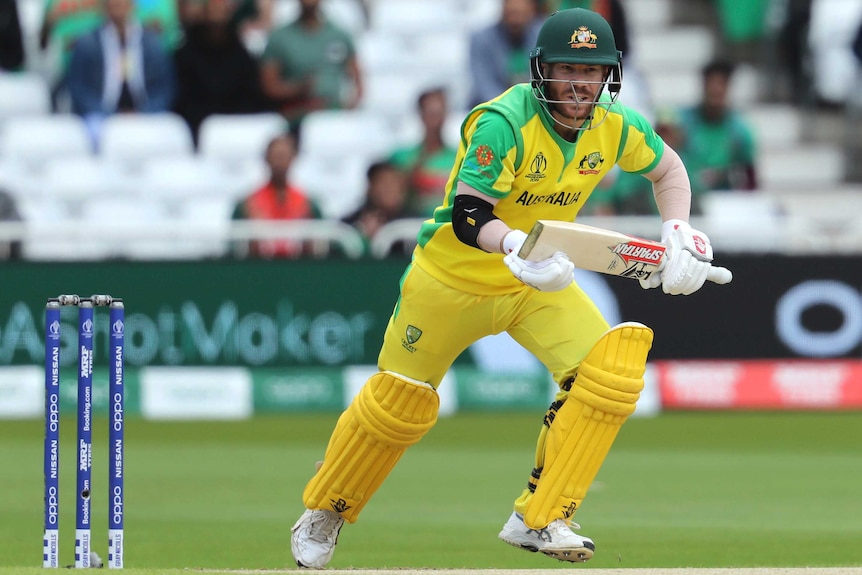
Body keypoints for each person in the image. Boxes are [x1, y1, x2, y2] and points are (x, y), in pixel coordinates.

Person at [290, 7, 731, 569]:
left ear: (610, 76)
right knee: (397, 405)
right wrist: (513, 247)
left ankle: (541, 517)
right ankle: (327, 508)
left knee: (610, 372)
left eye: (592, 71)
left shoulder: (616, 123)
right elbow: (468, 215)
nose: (580, 83)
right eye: (568, 68)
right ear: (541, 70)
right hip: (450, 280)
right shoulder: (504, 121)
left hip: (533, 283)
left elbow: (668, 172)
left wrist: (677, 230)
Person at [66, 0, 176, 148]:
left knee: (171, 132)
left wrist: (144, 113)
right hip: (101, 115)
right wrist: (110, 115)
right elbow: (79, 88)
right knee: (92, 131)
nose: (118, 5)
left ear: (132, 5)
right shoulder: (87, 43)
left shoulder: (151, 42)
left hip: (146, 113)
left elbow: (164, 87)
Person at [258, 0, 363, 137]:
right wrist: (298, 89)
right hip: (296, 116)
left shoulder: (340, 35)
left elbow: (358, 79)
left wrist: (348, 108)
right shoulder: (279, 38)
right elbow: (269, 86)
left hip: (334, 113)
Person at [172, 0, 266, 145]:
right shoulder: (185, 55)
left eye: (221, 17)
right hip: (197, 127)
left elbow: (251, 94)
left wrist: (230, 118)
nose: (216, 24)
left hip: (236, 124)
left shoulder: (241, 55)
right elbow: (182, 96)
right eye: (212, 15)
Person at [675, 59, 757, 213]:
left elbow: (750, 177)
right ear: (703, 86)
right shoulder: (682, 122)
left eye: (721, 84)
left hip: (722, 206)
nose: (716, 90)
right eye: (711, 84)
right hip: (684, 199)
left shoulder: (739, 131)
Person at [231, 132, 321, 258]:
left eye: (284, 156)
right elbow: (233, 248)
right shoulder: (246, 206)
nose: (279, 161)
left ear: (293, 158)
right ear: (266, 158)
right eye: (275, 156)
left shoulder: (309, 205)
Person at [388, 87, 458, 217]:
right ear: (421, 114)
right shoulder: (401, 157)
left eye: (440, 113)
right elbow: (390, 197)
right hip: (411, 227)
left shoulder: (461, 157)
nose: (436, 120)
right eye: (431, 113)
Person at [468, 0, 543, 108]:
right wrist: (510, 108)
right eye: (512, 14)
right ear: (503, 9)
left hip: (534, 106)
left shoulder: (541, 36)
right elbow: (485, 85)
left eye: (520, 14)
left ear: (532, 10)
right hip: (492, 107)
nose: (516, 21)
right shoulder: (481, 39)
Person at [341, 160, 412, 256]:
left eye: (397, 183)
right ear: (370, 187)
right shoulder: (349, 225)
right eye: (386, 184)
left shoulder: (414, 223)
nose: (392, 189)